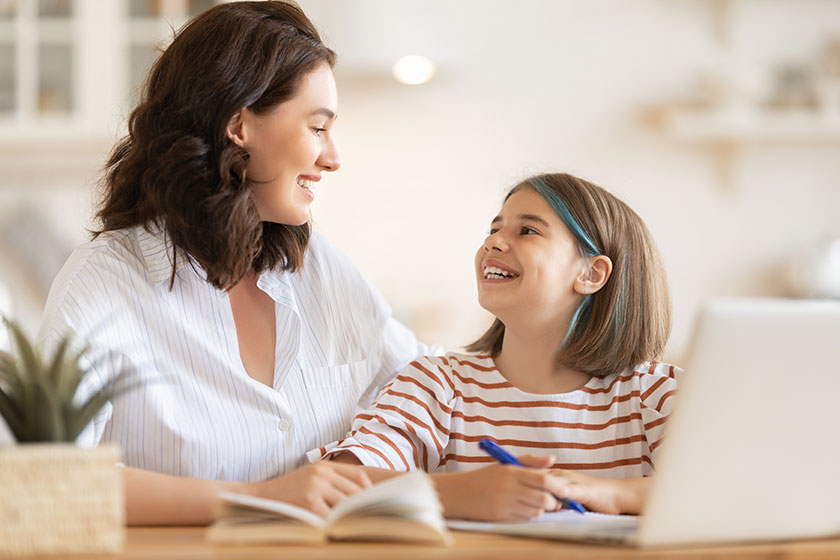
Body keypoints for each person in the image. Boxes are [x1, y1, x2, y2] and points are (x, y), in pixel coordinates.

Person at [36, 1, 429, 525]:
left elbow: (427, 385)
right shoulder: (107, 281)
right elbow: (39, 475)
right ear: (240, 126)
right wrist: (259, 497)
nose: (333, 157)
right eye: (317, 128)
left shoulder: (316, 268)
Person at [312, 173, 682, 521]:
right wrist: (457, 493)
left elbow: (732, 490)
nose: (493, 242)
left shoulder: (657, 395)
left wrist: (611, 495)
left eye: (527, 230)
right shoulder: (437, 385)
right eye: (494, 229)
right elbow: (338, 483)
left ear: (590, 274)